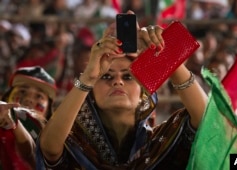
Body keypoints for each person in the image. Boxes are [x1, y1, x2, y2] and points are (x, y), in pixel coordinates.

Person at [37, 11, 208, 169]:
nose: (117, 81)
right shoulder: (75, 145)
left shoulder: (161, 143)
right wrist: (89, 76)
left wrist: (164, 53)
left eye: (128, 77)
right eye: (106, 77)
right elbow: (50, 148)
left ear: (144, 94)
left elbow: (207, 121)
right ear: (91, 93)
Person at [0, 66, 57, 170]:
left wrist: (14, 123)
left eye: (39, 96)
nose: (28, 99)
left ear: (48, 110)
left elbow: (29, 151)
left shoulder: (56, 146)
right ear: (6, 98)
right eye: (22, 92)